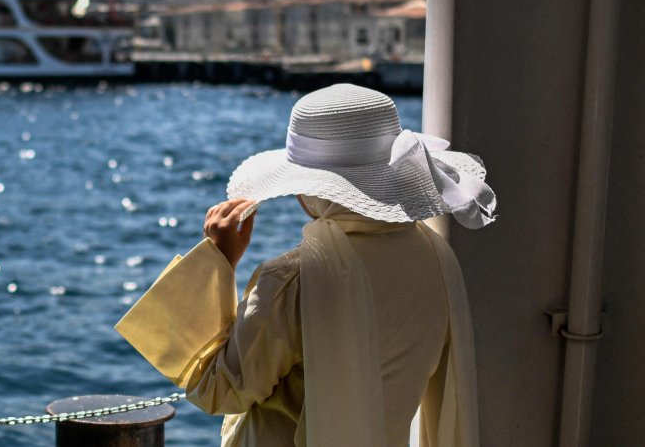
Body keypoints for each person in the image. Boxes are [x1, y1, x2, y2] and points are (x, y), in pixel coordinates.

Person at [116, 84, 495, 447]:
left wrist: (219, 260)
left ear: (310, 188)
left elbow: (221, 390)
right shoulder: (434, 258)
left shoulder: (293, 279)